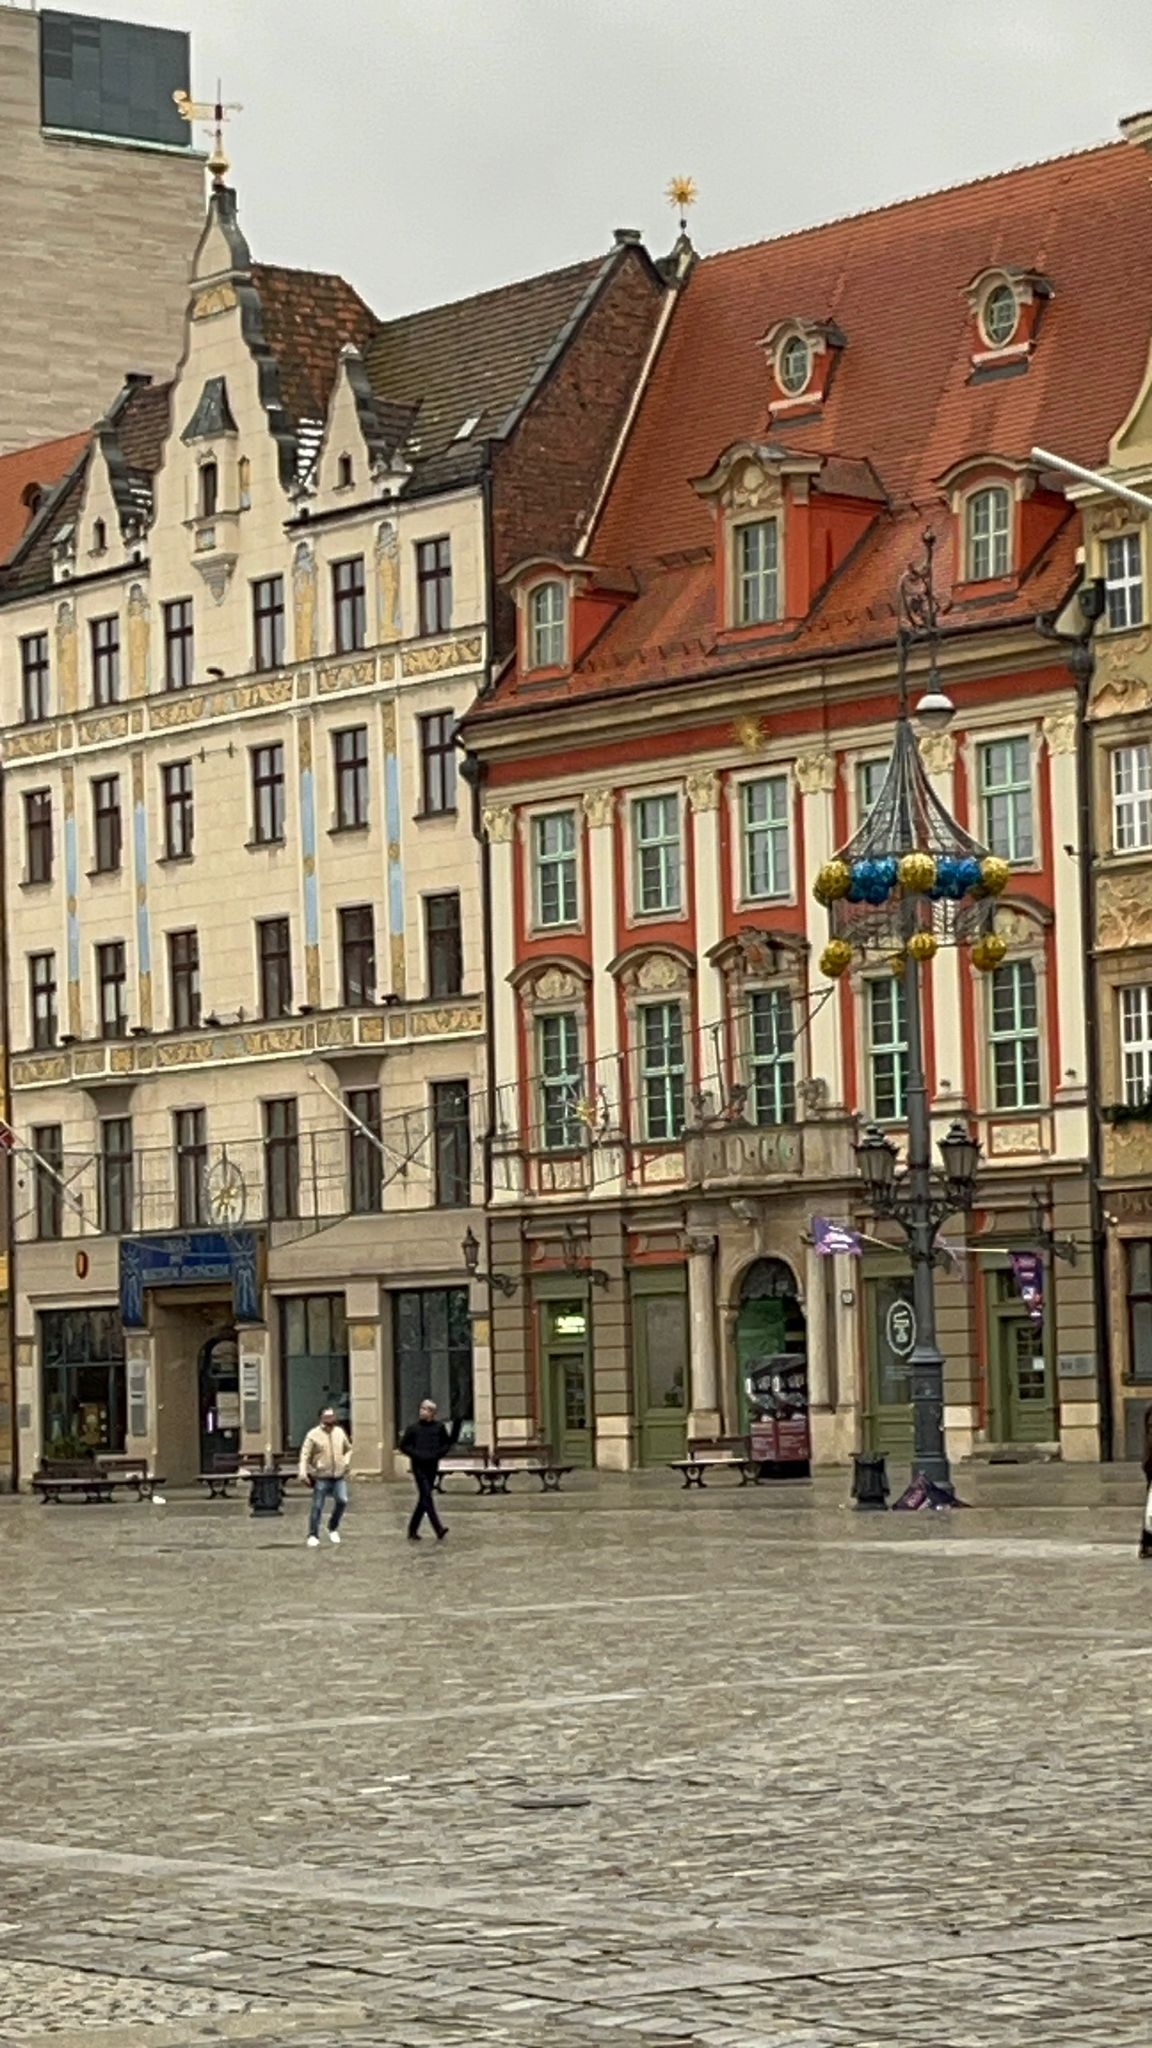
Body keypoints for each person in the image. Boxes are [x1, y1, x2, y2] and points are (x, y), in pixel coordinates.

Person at [400, 1399, 461, 1542]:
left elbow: (446, 1444)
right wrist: (417, 1454)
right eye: (421, 1408)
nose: (422, 1411)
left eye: (426, 1409)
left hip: (432, 1466)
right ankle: (438, 1529)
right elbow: (403, 1446)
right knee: (427, 1495)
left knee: (424, 1498)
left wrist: (437, 1454)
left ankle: (412, 1529)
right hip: (418, 1467)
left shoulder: (438, 1428)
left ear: (432, 1413)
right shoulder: (413, 1428)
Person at [298, 1406, 352, 1547]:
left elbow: (348, 1449)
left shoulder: (339, 1432)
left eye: (332, 1416)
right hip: (322, 1475)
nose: (331, 1419)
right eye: (327, 1417)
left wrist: (346, 1461)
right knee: (317, 1505)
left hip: (338, 1475)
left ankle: (332, 1527)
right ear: (321, 1418)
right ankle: (313, 1534)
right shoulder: (313, 1435)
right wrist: (303, 1472)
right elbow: (305, 1455)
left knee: (342, 1500)